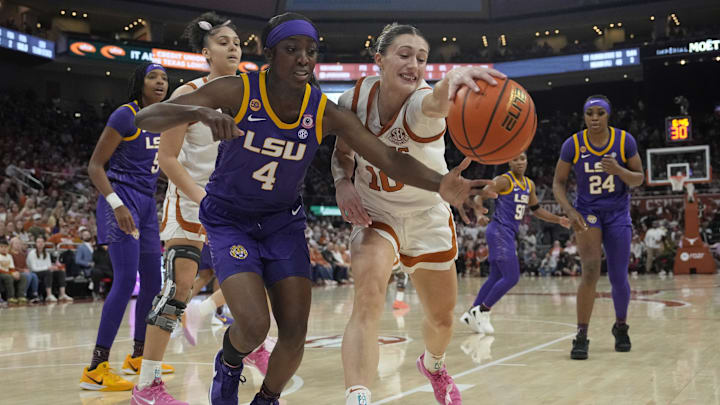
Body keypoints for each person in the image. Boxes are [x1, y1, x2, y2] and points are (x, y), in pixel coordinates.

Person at [135, 12, 487, 405]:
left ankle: (266, 399)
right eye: (291, 50)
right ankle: (230, 364)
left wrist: (442, 184)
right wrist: (196, 112)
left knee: (294, 335)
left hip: (282, 223)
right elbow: (145, 117)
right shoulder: (236, 90)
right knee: (253, 326)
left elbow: (389, 157)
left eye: (310, 51)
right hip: (231, 219)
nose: (303, 58)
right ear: (269, 54)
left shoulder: (322, 108)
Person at [331, 22, 502, 405]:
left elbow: (437, 101)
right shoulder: (351, 100)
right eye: (404, 54)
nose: (414, 64)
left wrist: (452, 80)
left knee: (441, 320)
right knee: (368, 299)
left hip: (427, 216)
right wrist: (343, 182)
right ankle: (357, 396)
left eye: (422, 59)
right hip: (375, 213)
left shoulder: (420, 105)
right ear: (379, 59)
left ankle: (435, 366)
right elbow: (342, 153)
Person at [132, 13, 270, 405]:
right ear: (206, 52)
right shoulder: (186, 95)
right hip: (190, 202)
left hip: (234, 205)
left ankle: (246, 342)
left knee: (254, 285)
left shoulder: (251, 95)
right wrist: (203, 198)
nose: (233, 47)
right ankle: (146, 387)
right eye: (223, 41)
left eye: (237, 42)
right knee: (177, 290)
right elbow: (169, 158)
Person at [80, 62, 171, 392]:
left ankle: (138, 354)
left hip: (147, 203)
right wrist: (117, 204)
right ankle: (96, 367)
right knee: (123, 281)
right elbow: (94, 165)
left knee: (153, 280)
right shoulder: (126, 115)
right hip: (120, 199)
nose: (160, 82)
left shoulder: (163, 119)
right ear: (139, 82)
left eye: (164, 78)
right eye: (152, 77)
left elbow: (159, 165)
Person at [552, 95, 644, 360]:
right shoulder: (573, 144)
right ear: (584, 116)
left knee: (618, 275)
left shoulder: (625, 141)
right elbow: (558, 183)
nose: (594, 118)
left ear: (608, 115)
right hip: (587, 212)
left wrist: (620, 171)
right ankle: (581, 334)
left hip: (617, 212)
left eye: (599, 113)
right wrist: (569, 210)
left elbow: (639, 179)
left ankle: (621, 326)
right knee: (590, 271)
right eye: (589, 113)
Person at [461, 152, 570, 334]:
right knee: (512, 277)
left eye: (523, 159)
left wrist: (558, 220)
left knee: (496, 277)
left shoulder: (529, 184)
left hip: (507, 233)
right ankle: (482, 311)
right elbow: (480, 195)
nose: (519, 162)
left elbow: (536, 210)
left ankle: (471, 313)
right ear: (509, 162)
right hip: (499, 230)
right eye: (515, 159)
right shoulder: (504, 180)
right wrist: (480, 214)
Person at [26, 235, 71, 302]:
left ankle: (62, 294)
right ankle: (49, 295)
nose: (40, 244)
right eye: (38, 242)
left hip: (45, 271)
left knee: (60, 272)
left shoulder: (46, 253)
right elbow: (34, 268)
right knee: (48, 272)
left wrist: (54, 268)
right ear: (35, 243)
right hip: (35, 272)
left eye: (42, 242)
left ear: (44, 243)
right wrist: (48, 268)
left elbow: (49, 265)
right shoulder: (32, 253)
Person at [0, 237, 27, 304]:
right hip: (2, 273)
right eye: (1, 247)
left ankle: (20, 296)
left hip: (8, 272)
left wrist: (15, 273)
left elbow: (11, 268)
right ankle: (10, 297)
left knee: (22, 276)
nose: (4, 248)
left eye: (5, 247)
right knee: (8, 277)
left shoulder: (9, 256)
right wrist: (11, 273)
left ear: (8, 248)